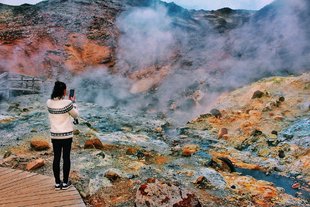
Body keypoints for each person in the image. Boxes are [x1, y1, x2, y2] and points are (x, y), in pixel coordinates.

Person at [47, 81, 79, 190]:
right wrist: (73, 102)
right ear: (63, 91)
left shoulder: (48, 103)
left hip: (55, 136)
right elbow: (75, 115)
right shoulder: (67, 103)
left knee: (56, 158)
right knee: (66, 158)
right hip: (66, 136)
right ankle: (65, 183)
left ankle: (57, 183)